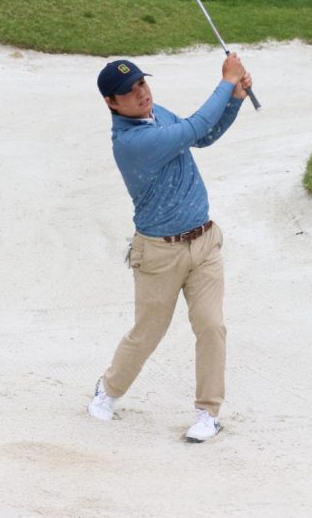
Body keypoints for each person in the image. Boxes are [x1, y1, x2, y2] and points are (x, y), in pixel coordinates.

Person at [89, 53, 252, 442]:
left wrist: (234, 102)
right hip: (159, 254)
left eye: (142, 84)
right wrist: (227, 82)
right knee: (148, 333)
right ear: (112, 103)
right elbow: (194, 127)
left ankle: (207, 413)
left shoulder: (157, 112)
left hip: (204, 242)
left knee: (211, 326)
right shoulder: (132, 142)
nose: (141, 94)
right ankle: (108, 390)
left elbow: (205, 135)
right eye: (128, 92)